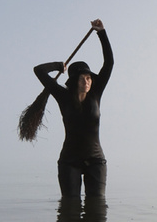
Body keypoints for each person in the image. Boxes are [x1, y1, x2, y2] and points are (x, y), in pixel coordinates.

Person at [34, 19, 114, 198]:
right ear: (74, 82)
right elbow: (38, 70)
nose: (86, 81)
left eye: (88, 78)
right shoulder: (63, 96)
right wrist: (58, 66)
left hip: (96, 160)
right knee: (69, 209)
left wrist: (102, 33)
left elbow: (109, 63)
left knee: (97, 211)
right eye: (82, 78)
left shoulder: (96, 93)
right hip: (69, 161)